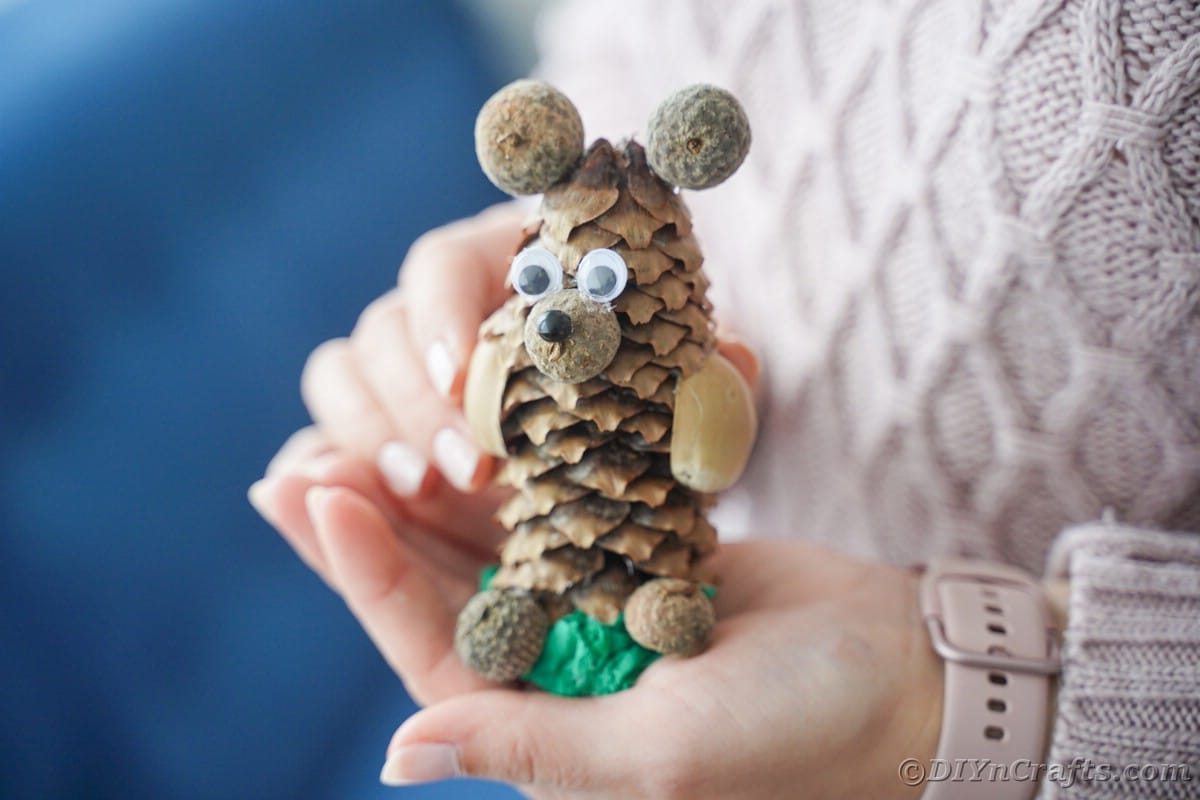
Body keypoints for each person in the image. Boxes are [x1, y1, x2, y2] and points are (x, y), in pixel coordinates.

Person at [249, 1, 1200, 797]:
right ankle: (535, 596)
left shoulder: (687, 371)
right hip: (638, 556)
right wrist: (508, 276)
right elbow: (624, 57)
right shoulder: (536, 321)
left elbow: (706, 447)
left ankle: (654, 596)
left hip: (913, 700)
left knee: (657, 570)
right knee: (525, 545)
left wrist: (984, 695)